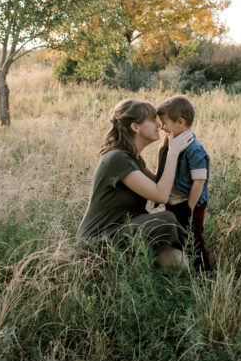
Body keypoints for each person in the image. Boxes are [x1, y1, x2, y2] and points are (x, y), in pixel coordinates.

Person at [77, 98, 195, 268]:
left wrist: (164, 151)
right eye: (152, 120)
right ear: (135, 127)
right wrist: (173, 152)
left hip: (123, 233)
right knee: (167, 219)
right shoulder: (117, 158)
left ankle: (188, 272)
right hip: (98, 242)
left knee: (180, 261)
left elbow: (164, 187)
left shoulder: (133, 158)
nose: (159, 125)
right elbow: (161, 195)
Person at [156, 95, 213, 273]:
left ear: (180, 122)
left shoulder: (194, 148)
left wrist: (190, 207)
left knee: (193, 238)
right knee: (177, 236)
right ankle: (182, 269)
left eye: (164, 123)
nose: (161, 127)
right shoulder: (170, 143)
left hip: (189, 203)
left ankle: (204, 274)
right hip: (173, 202)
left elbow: (199, 181)